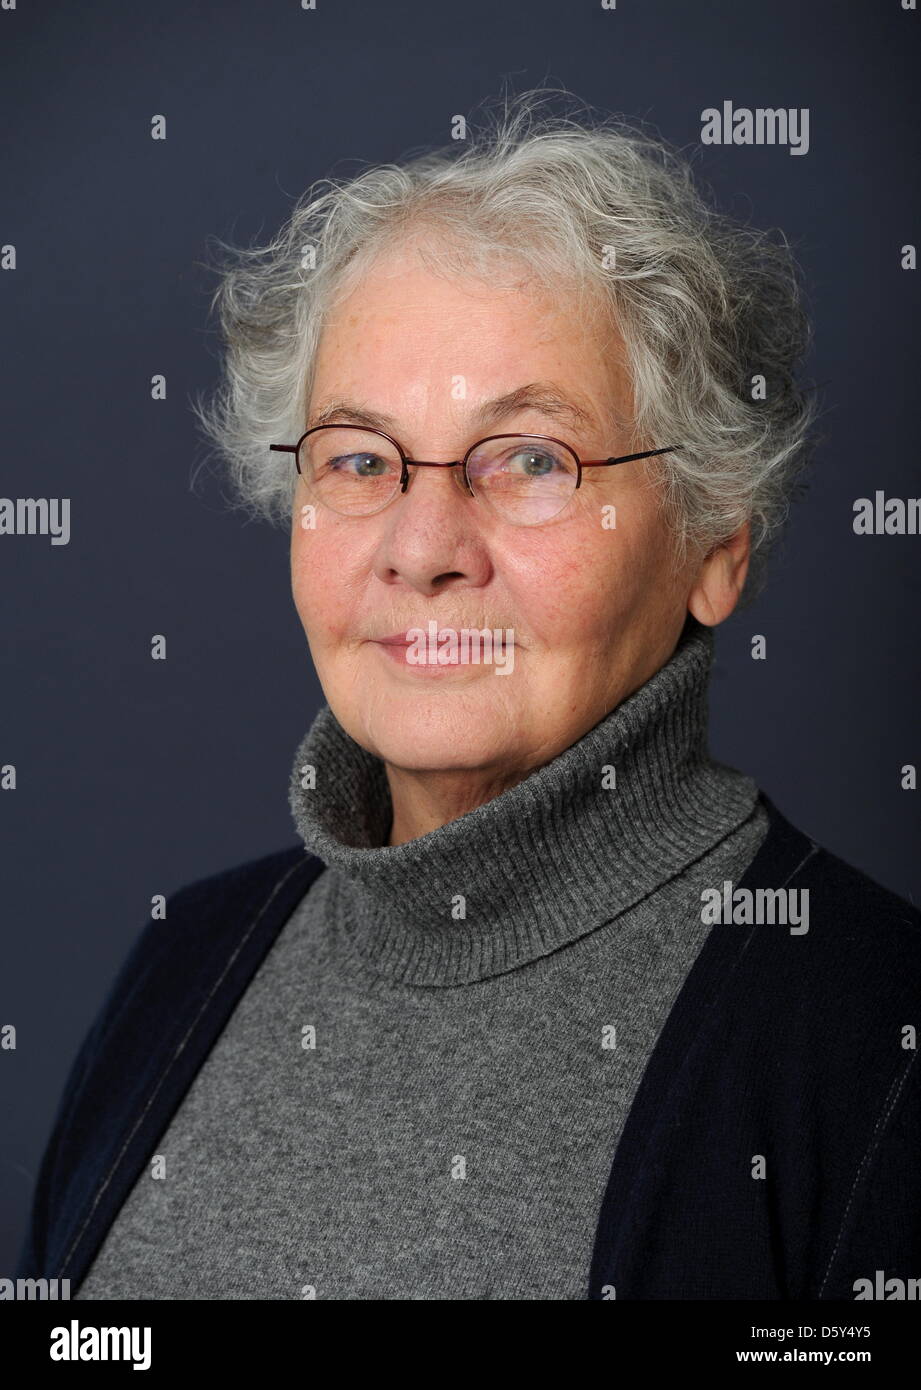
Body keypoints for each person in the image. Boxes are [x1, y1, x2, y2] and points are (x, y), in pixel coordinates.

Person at [17, 91, 921, 1300]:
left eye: (532, 459)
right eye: (357, 458)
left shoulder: (876, 1040)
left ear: (715, 541)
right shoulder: (184, 969)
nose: (422, 544)